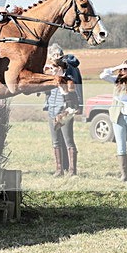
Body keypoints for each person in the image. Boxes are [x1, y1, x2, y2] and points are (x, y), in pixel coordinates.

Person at [43, 44, 83, 176]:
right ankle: (59, 169)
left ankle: (72, 170)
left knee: (68, 140)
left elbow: (73, 87)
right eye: (52, 57)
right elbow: (45, 91)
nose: (55, 59)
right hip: (52, 109)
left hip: (66, 109)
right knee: (55, 141)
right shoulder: (50, 71)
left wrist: (60, 74)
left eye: (57, 56)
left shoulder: (69, 69)